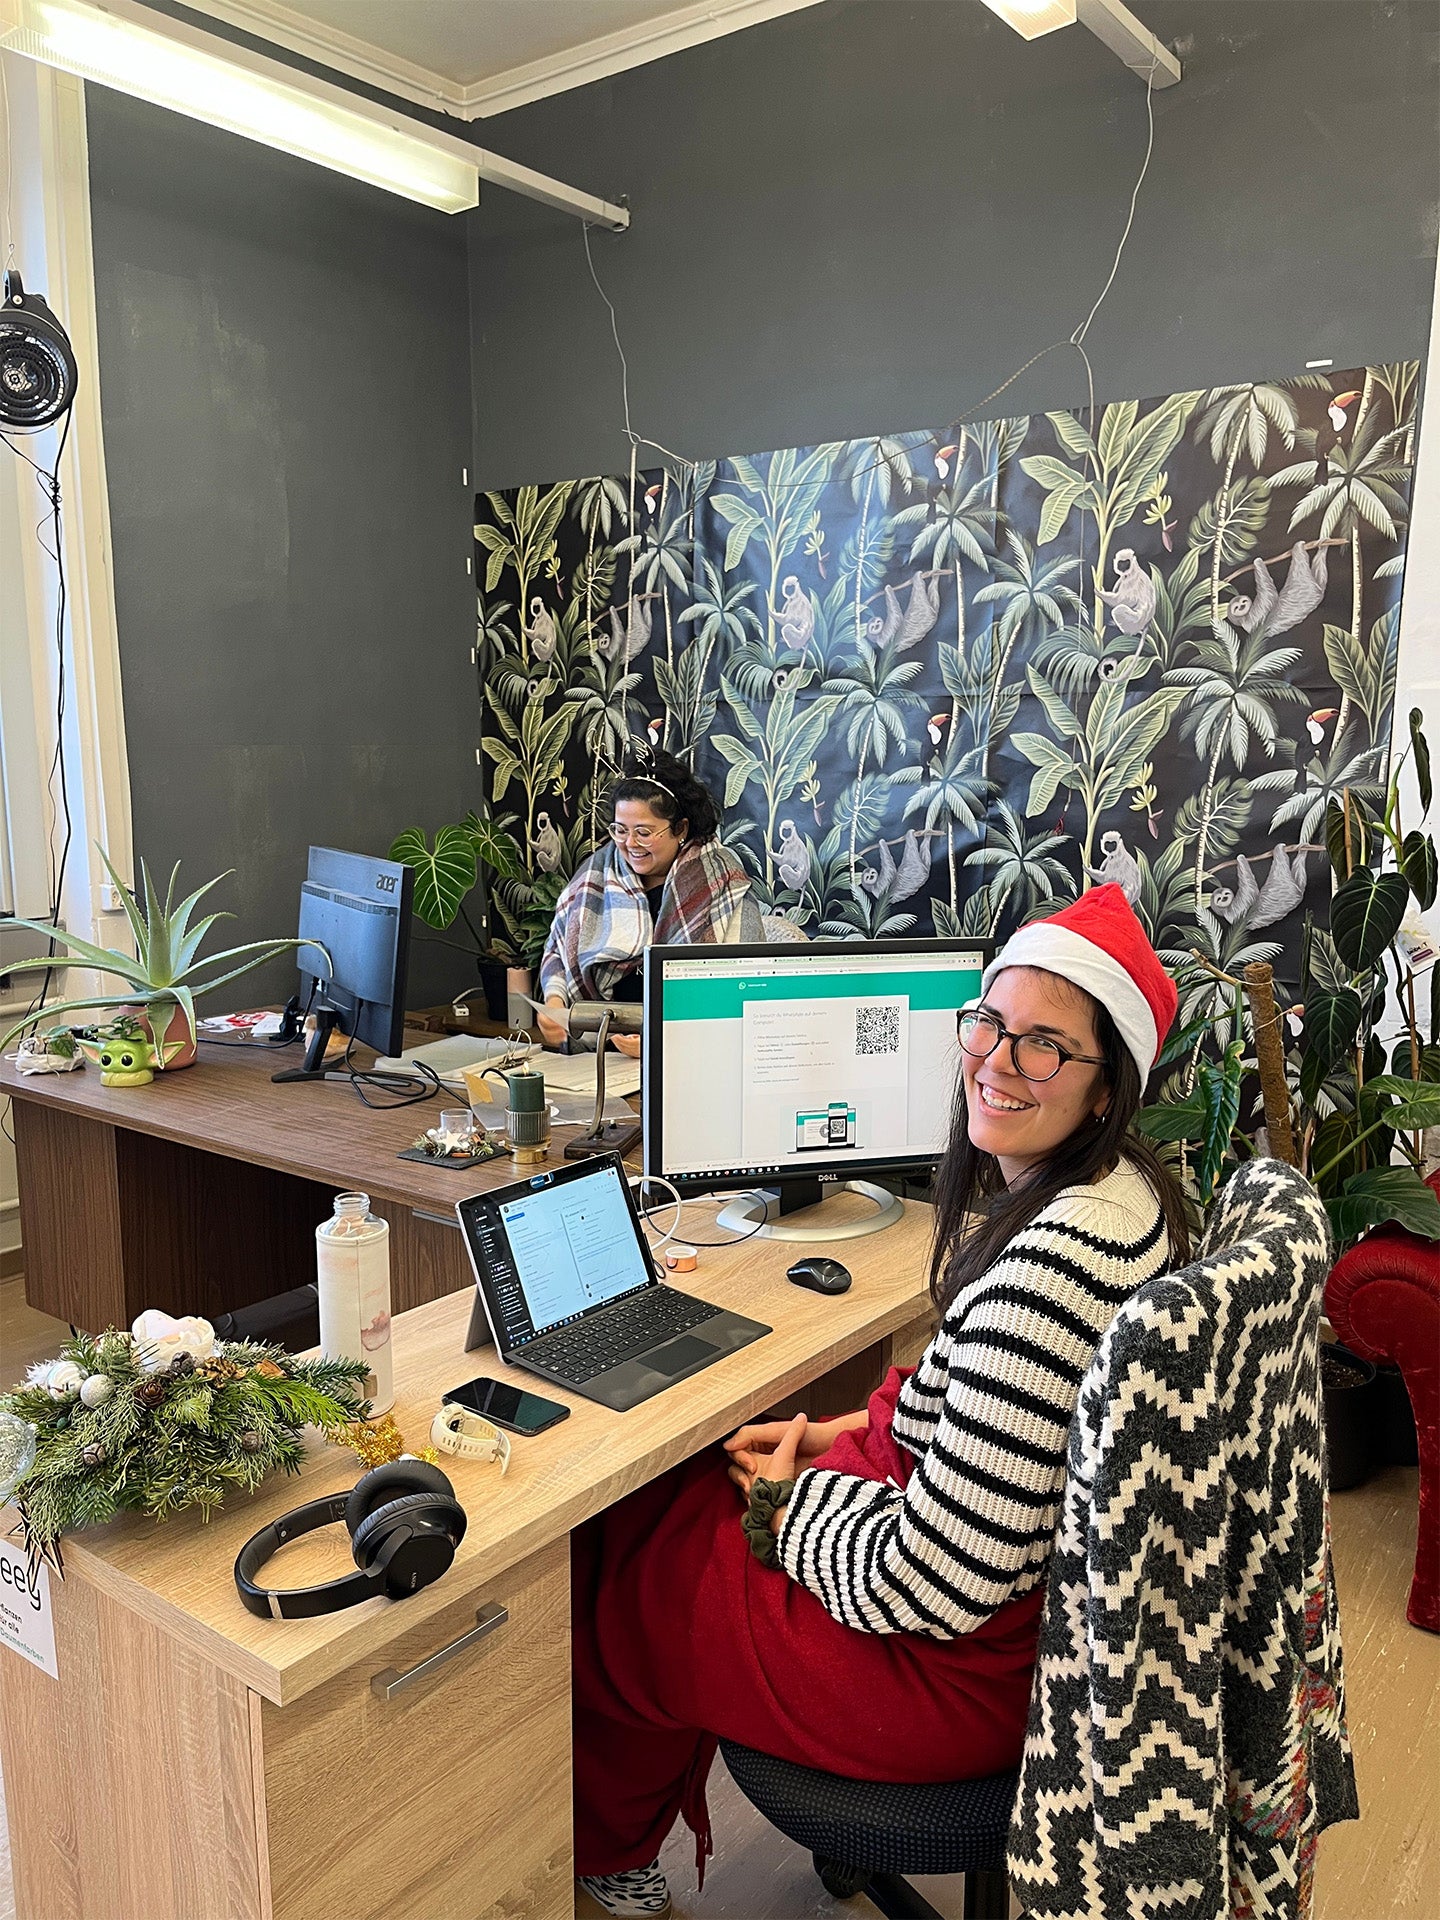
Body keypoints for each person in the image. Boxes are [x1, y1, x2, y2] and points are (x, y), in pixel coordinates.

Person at [569, 884, 1191, 1918]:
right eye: (988, 1021)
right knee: (664, 1494)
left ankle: (604, 1855)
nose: (996, 1060)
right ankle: (623, 1826)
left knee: (628, 1563)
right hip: (1011, 1618)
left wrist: (786, 1504)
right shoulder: (1122, 1200)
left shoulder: (1050, 1272)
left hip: (950, 1674)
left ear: (1105, 1085)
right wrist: (839, 1430)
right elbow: (995, 1427)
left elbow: (937, 1583)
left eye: (1045, 1045)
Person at [536, 750, 761, 1058]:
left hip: (696, 1054)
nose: (630, 844)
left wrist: (665, 1041)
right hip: (601, 1051)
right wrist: (555, 1003)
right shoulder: (597, 872)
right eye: (620, 830)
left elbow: (743, 988)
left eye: (644, 832)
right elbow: (558, 951)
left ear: (680, 829)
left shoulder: (721, 881)